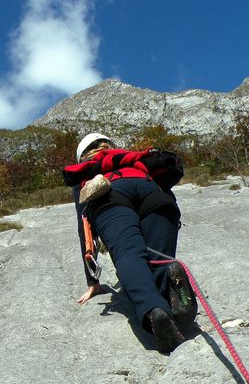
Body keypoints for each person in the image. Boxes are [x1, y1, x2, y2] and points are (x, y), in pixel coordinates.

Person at [62, 132, 196, 353]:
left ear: (83, 155)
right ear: (110, 146)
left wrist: (92, 280)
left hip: (110, 196)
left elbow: (83, 225)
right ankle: (171, 278)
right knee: (160, 258)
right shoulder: (132, 158)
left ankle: (154, 310)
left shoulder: (87, 168)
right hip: (153, 194)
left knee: (129, 253)